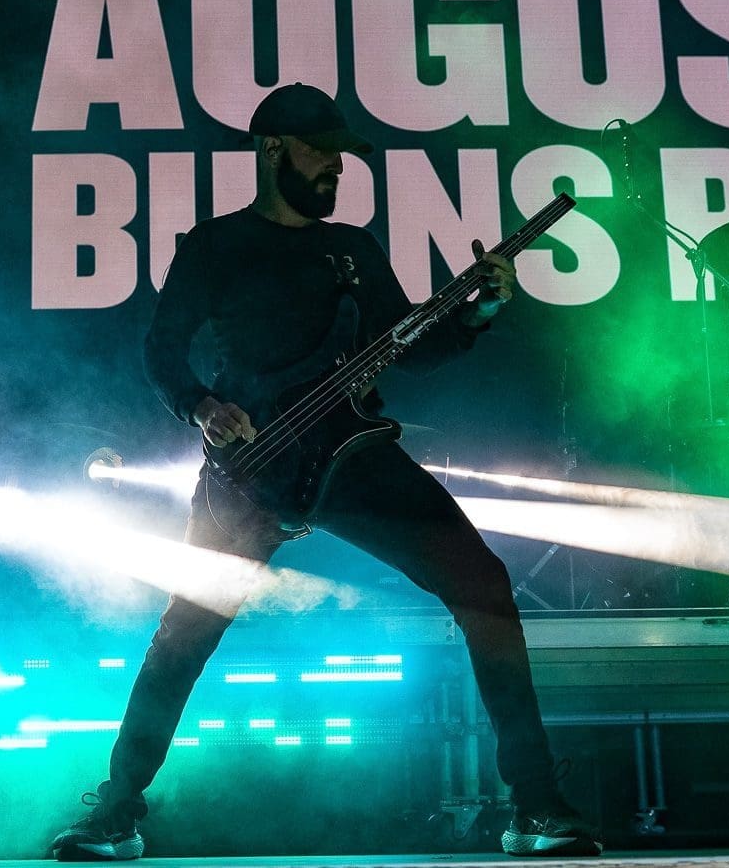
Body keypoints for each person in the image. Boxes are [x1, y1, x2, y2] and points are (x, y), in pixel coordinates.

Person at [49, 84, 602, 860]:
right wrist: (202, 406)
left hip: (351, 453)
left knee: (483, 581)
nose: (337, 168)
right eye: (322, 152)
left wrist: (476, 312)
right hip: (248, 465)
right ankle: (114, 809)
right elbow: (162, 349)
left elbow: (413, 346)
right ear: (273, 149)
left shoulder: (353, 250)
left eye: (342, 155)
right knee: (184, 632)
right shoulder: (216, 245)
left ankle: (536, 805)